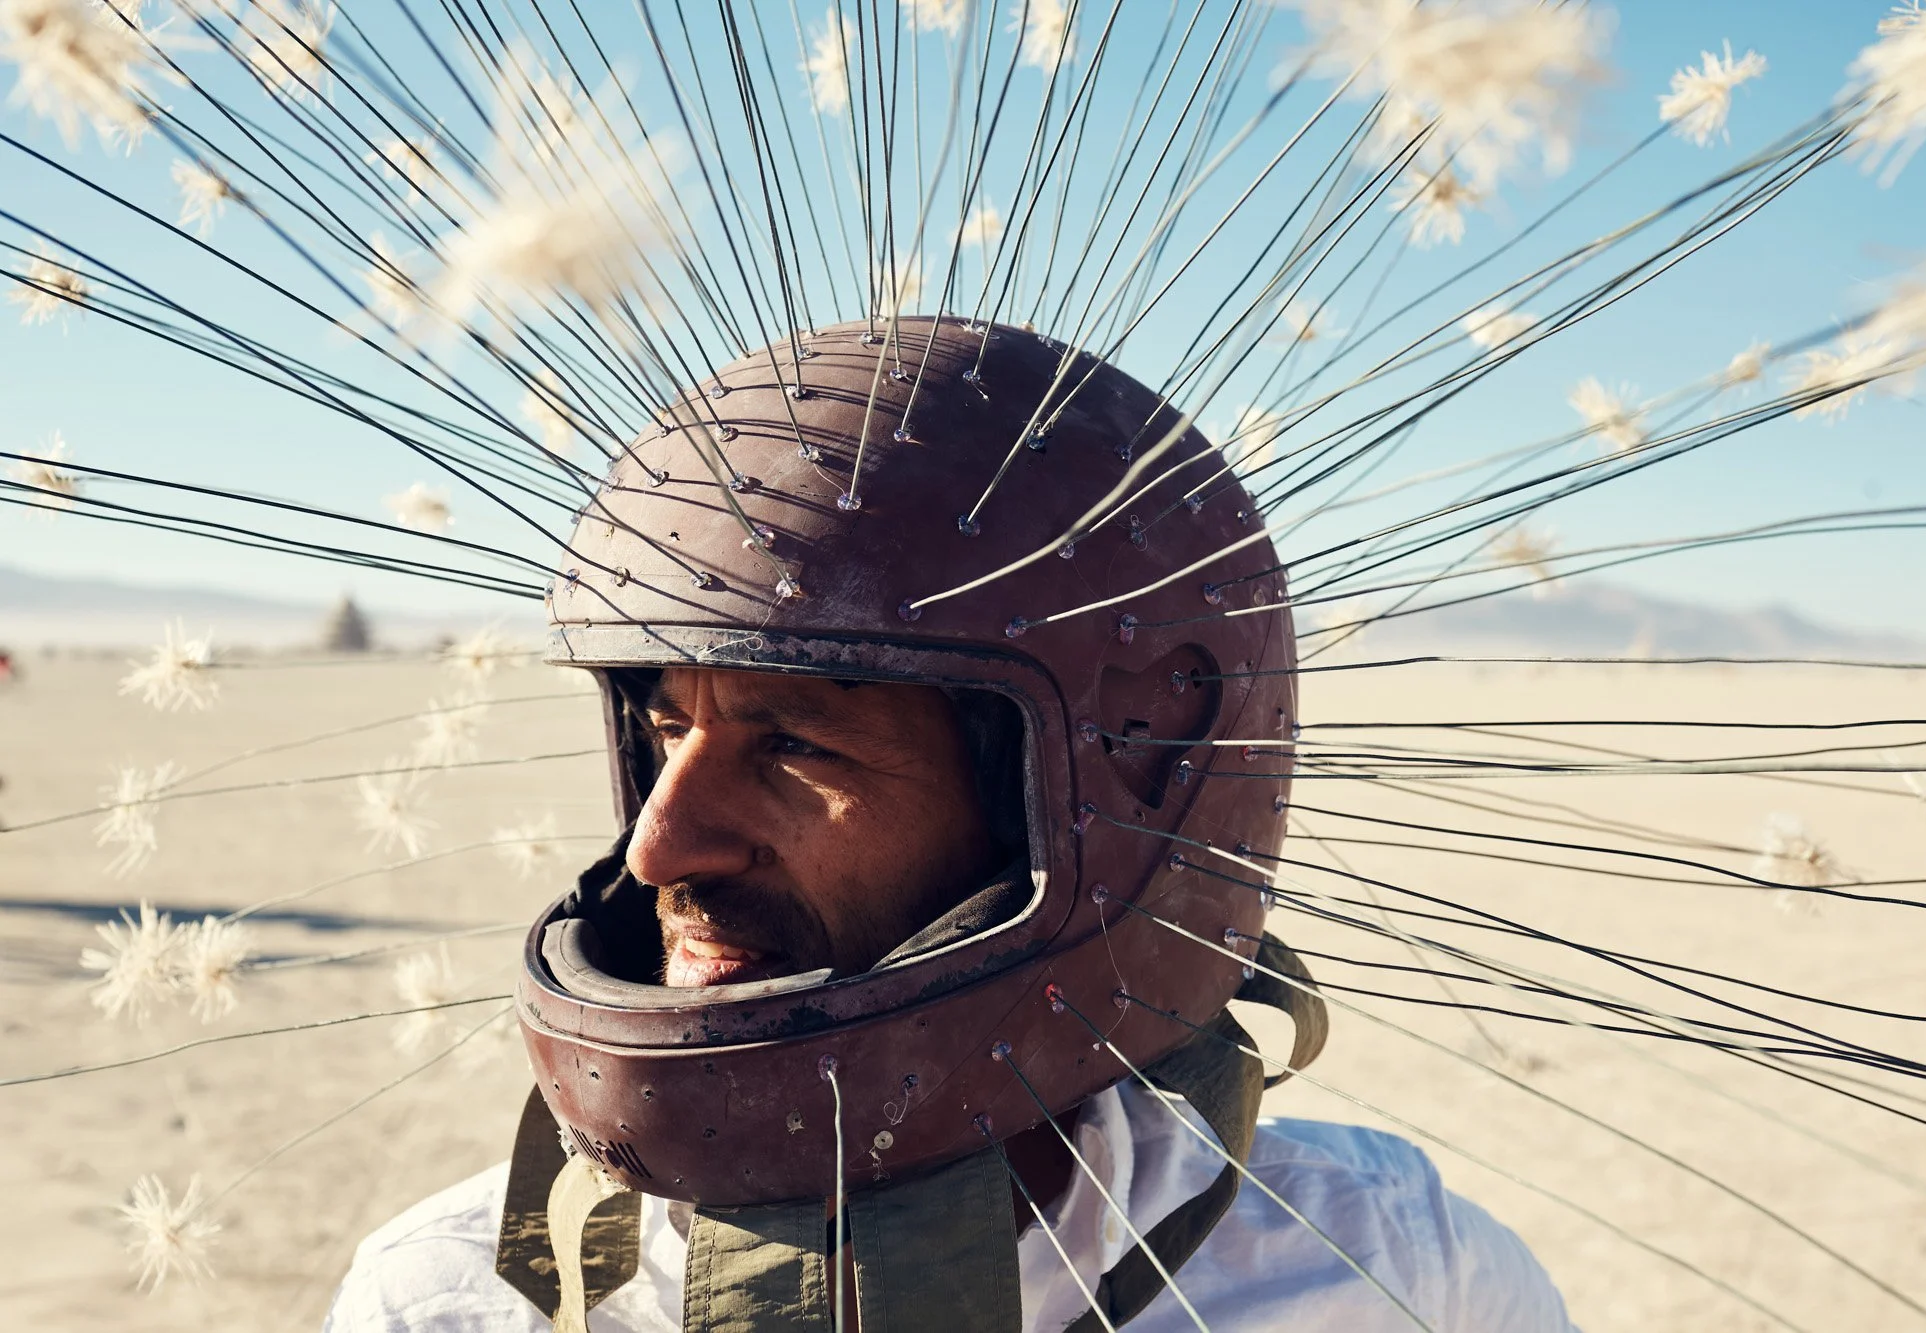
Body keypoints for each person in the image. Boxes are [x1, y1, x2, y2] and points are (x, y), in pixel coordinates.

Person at [324, 320, 1575, 1332]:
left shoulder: (1385, 1272)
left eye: (795, 745)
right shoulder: (451, 1301)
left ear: (1086, 801)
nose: (660, 850)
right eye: (663, 731)